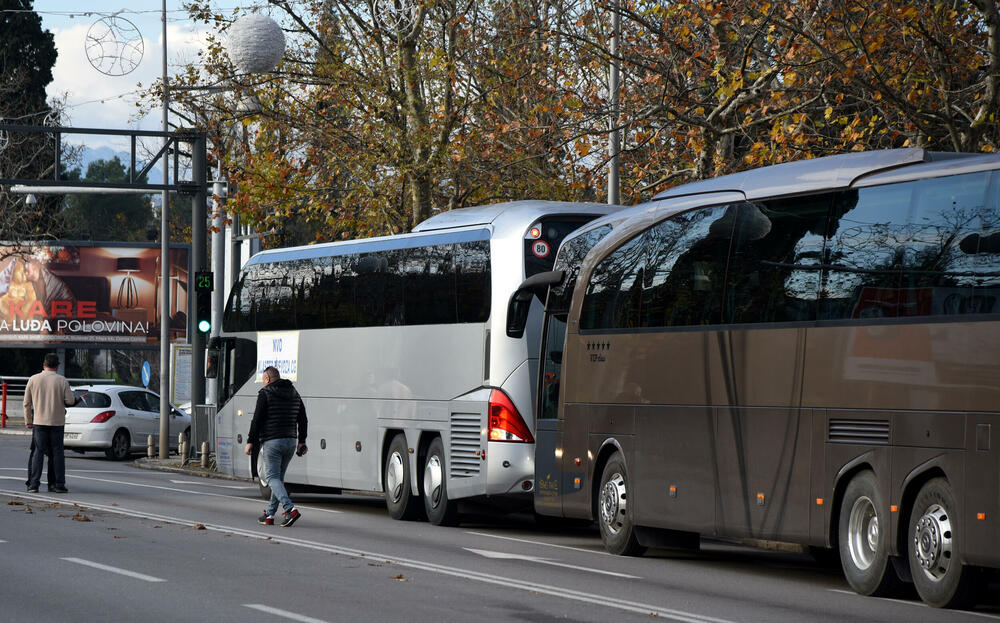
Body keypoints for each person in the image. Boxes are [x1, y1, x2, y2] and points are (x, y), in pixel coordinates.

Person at [244, 366, 307, 527]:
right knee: (277, 479)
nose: (263, 382)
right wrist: (302, 441)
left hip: (273, 441)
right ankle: (270, 514)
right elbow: (303, 418)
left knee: (271, 477)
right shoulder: (294, 393)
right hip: (291, 441)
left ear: (267, 379)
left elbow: (257, 419)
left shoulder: (265, 393)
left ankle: (290, 509)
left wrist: (250, 441)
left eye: (263, 379)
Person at [24, 353, 80, 493]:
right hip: (57, 423)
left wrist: (28, 421)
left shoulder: (33, 379)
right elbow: (70, 401)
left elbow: (26, 403)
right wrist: (77, 400)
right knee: (57, 453)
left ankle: (33, 484)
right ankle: (57, 484)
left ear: (44, 364)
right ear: (57, 366)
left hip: (39, 422)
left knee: (38, 452)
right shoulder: (62, 380)